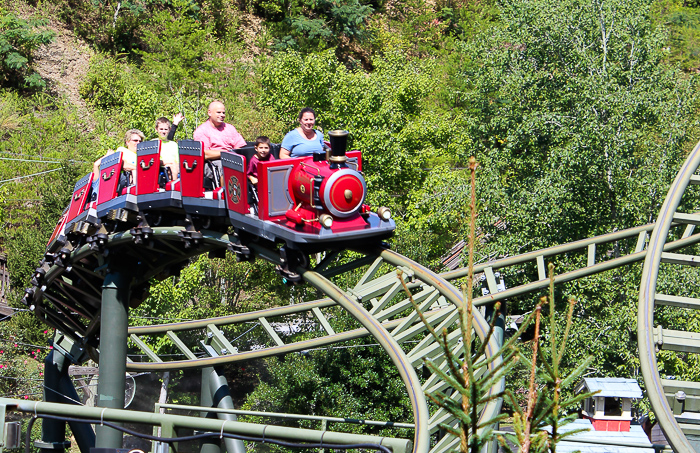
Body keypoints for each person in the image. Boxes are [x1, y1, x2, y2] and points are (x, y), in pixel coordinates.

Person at [193, 101, 246, 189]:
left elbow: (239, 147)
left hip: (233, 158)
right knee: (225, 165)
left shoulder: (230, 128)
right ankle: (225, 194)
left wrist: (233, 155)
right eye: (218, 112)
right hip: (212, 163)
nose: (222, 115)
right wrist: (225, 153)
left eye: (223, 113)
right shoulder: (202, 131)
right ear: (209, 113)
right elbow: (204, 154)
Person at [91, 129, 144, 198]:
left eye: (140, 141)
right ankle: (136, 193)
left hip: (142, 178)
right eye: (135, 140)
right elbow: (124, 165)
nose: (138, 143)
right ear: (127, 142)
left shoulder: (142, 155)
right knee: (134, 171)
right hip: (125, 179)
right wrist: (138, 168)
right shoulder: (123, 150)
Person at [155, 116, 179, 181]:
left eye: (165, 129)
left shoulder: (174, 144)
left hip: (174, 168)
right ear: (156, 129)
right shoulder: (154, 143)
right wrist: (169, 162)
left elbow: (177, 161)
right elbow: (154, 161)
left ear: (169, 129)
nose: (163, 131)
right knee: (172, 165)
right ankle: (173, 186)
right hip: (160, 169)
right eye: (161, 129)